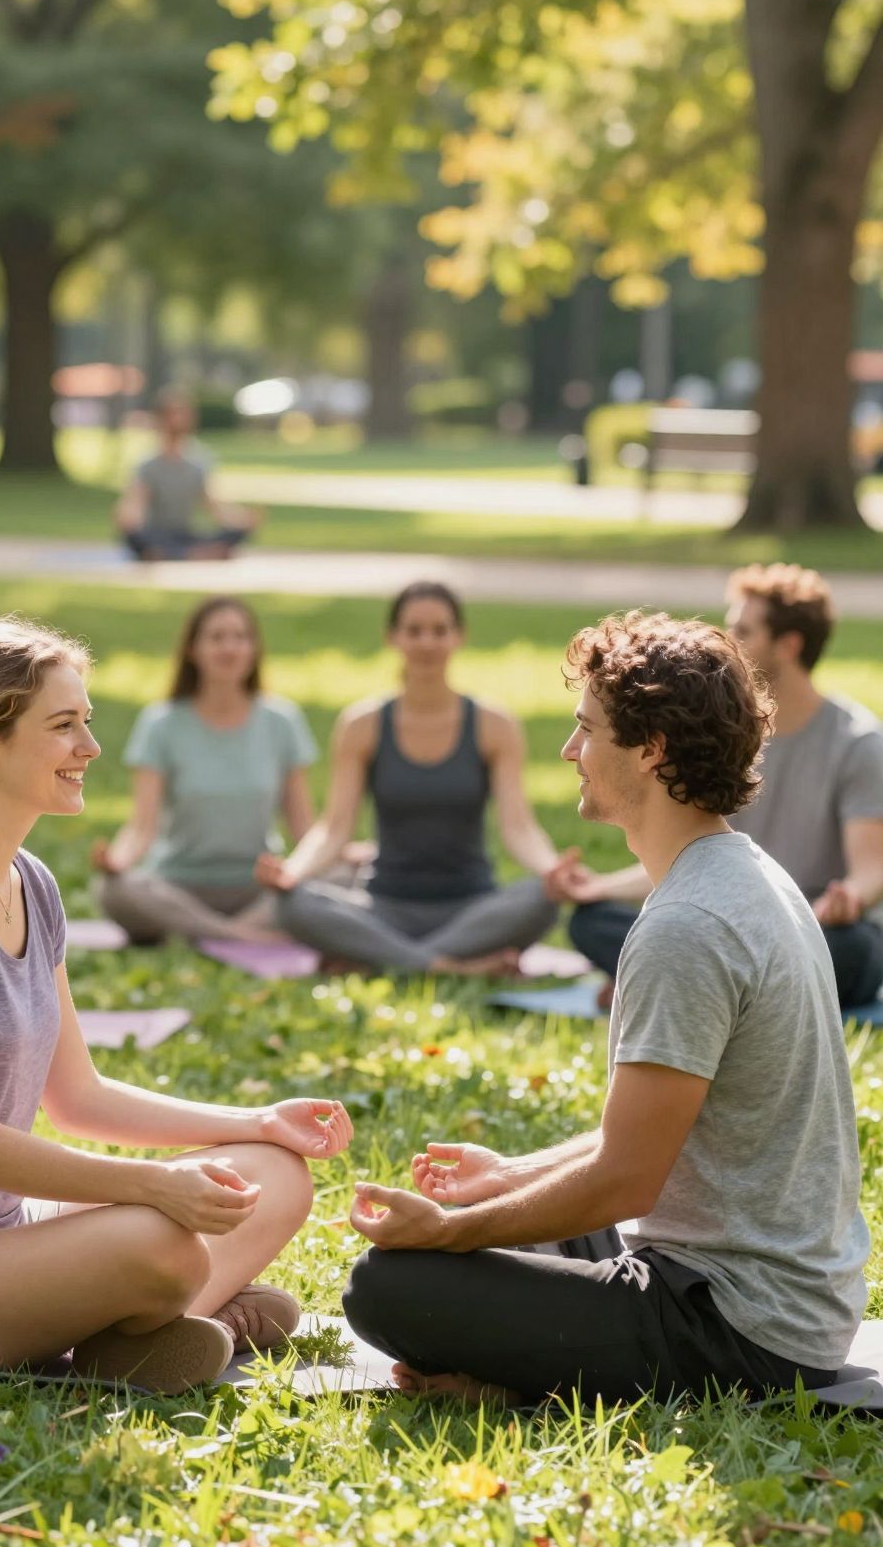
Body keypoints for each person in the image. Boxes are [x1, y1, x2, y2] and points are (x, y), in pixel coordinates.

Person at [0, 617, 352, 1394]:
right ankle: (183, 1318)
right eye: (64, 725)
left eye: (85, 722)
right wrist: (155, 1187)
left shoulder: (30, 881)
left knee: (274, 1174)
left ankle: (144, 1330)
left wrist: (257, 1122)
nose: (91, 747)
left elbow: (78, 1097)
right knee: (163, 1244)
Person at [342, 611, 869, 1405]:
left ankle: (511, 1382)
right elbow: (650, 1139)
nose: (569, 751)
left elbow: (626, 1180)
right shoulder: (742, 871)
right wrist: (507, 1176)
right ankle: (511, 1362)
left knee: (387, 1286)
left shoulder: (688, 925)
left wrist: (450, 1230)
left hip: (735, 1326)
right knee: (509, 1225)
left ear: (651, 748)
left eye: (586, 730)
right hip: (760, 1292)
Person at [564, 564, 883, 1009]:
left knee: (849, 948)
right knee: (594, 920)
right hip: (730, 915)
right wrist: (601, 888)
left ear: (789, 645)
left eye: (744, 630)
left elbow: (872, 868)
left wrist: (847, 900)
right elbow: (692, 849)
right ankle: (686, 978)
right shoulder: (728, 733)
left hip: (818, 925)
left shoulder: (857, 743)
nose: (728, 639)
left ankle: (680, 980)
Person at [263, 582, 572, 976]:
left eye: (440, 630)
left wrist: (551, 870)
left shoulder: (495, 725)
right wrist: (292, 872)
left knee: (542, 898)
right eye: (414, 631)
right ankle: (450, 966)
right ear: (393, 637)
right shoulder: (362, 725)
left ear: (459, 636)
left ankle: (381, 959)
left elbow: (519, 827)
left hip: (470, 908)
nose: (427, 643)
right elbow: (334, 828)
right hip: (383, 907)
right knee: (291, 903)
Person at [92, 598, 321, 944]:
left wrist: (337, 855)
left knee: (344, 875)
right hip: (178, 888)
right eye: (216, 638)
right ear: (192, 650)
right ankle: (236, 935)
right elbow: (142, 826)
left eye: (240, 637)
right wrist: (118, 862)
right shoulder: (161, 724)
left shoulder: (282, 722)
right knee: (113, 890)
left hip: (260, 890)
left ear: (254, 648)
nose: (230, 648)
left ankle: (213, 932)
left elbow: (303, 826)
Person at [115, 390, 261, 561]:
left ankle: (179, 554)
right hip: (156, 533)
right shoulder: (148, 464)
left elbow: (211, 503)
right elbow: (136, 502)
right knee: (136, 537)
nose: (178, 420)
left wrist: (241, 519)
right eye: (173, 414)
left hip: (185, 534)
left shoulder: (199, 461)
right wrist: (129, 518)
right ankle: (192, 553)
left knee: (233, 533)